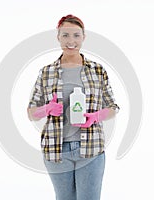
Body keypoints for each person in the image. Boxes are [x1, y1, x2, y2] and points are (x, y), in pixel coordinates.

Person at [27, 14, 120, 200]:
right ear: (58, 37)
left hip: (91, 149)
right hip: (56, 151)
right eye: (66, 35)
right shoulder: (46, 72)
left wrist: (96, 116)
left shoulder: (97, 70)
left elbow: (113, 107)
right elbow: (31, 113)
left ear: (84, 37)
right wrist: (47, 109)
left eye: (76, 35)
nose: (71, 41)